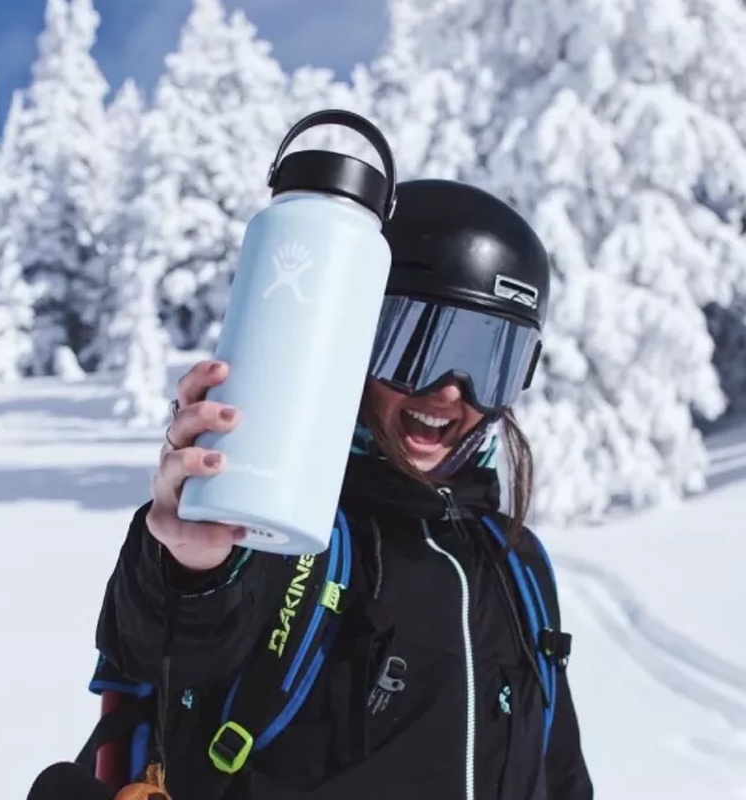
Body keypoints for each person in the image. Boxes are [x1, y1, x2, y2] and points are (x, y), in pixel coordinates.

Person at [89, 179, 593, 800]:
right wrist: (192, 566)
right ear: (351, 338)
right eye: (417, 346)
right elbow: (169, 642)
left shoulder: (516, 562)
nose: (449, 390)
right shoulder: (285, 521)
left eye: (489, 360)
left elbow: (559, 773)